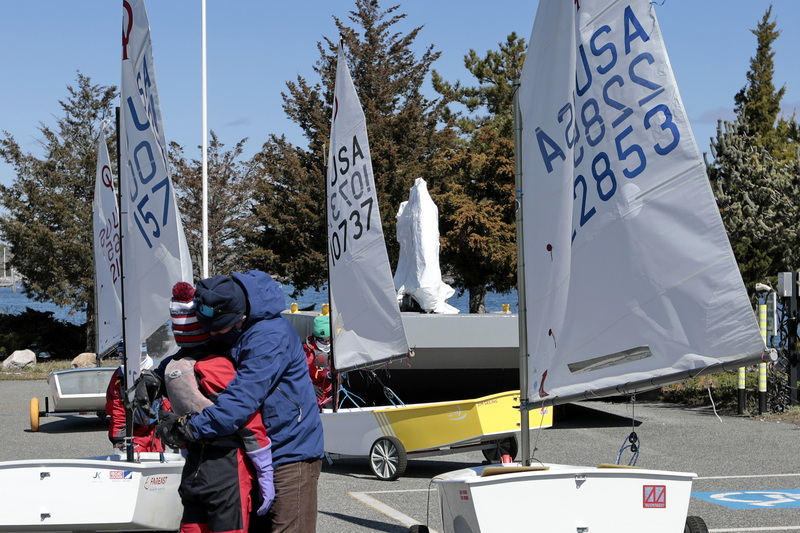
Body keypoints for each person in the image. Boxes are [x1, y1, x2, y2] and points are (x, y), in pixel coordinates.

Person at [157, 271, 324, 533]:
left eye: (219, 330)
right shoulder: (220, 313)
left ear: (241, 318)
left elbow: (238, 403)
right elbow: (197, 351)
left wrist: (190, 428)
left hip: (289, 449)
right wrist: (157, 376)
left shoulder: (269, 335)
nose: (214, 335)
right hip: (252, 449)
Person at [161, 281, 274, 533]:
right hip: (226, 469)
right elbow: (247, 420)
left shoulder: (170, 367)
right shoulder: (215, 364)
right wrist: (265, 470)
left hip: (194, 467)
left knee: (191, 526)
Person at [105, 340, 168, 453]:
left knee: (158, 464)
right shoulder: (119, 376)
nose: (124, 362)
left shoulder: (159, 369)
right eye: (122, 358)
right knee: (136, 462)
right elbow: (116, 406)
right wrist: (118, 438)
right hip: (134, 430)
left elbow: (171, 400)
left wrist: (174, 426)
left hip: (157, 428)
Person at [302, 314, 333, 410]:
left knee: (331, 411)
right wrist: (308, 385)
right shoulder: (306, 351)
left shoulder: (336, 347)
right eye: (324, 341)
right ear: (316, 338)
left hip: (329, 388)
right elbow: (297, 371)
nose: (327, 344)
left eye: (329, 340)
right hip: (311, 388)